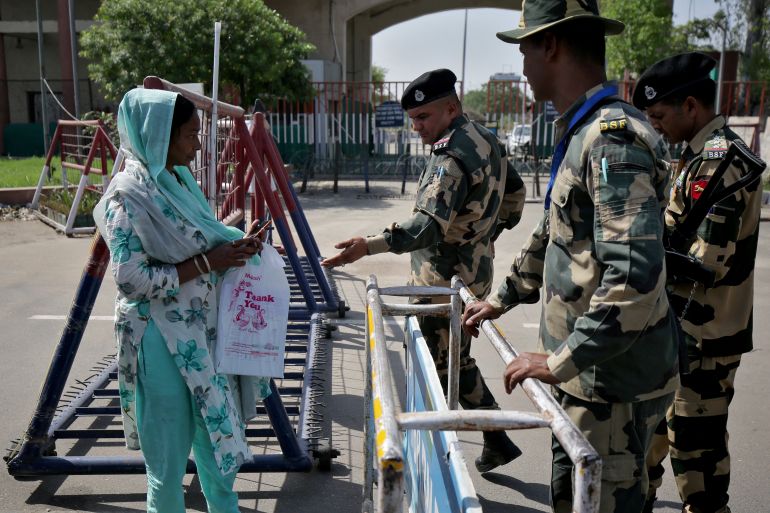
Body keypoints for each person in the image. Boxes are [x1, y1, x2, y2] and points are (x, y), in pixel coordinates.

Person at [462, 1, 680, 511]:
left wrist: (561, 360)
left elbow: (635, 280)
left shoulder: (612, 142)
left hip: (611, 385)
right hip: (591, 377)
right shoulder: (583, 131)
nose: (522, 64)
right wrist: (503, 299)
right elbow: (553, 233)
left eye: (525, 47)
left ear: (551, 45)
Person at [321, 68, 527, 472]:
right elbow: (515, 196)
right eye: (413, 120)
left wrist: (368, 246)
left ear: (451, 108)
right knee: (455, 360)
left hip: (441, 282)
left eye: (424, 118)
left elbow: (425, 228)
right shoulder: (486, 138)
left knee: (440, 368)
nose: (416, 128)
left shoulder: (450, 158)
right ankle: (495, 440)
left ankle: (444, 456)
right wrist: (484, 234)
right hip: (474, 272)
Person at [94, 89, 272, 513]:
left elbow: (203, 236)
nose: (197, 145)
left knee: (217, 451)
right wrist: (209, 261)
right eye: (190, 135)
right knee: (168, 465)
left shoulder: (177, 181)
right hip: (160, 340)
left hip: (202, 334)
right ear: (160, 136)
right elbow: (131, 279)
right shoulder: (128, 195)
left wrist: (234, 249)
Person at [632, 52, 764, 513]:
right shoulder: (695, 159)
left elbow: (706, 263)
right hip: (676, 328)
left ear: (691, 106)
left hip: (704, 338)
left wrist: (634, 257)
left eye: (659, 116)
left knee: (697, 459)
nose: (656, 126)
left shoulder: (722, 162)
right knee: (648, 439)